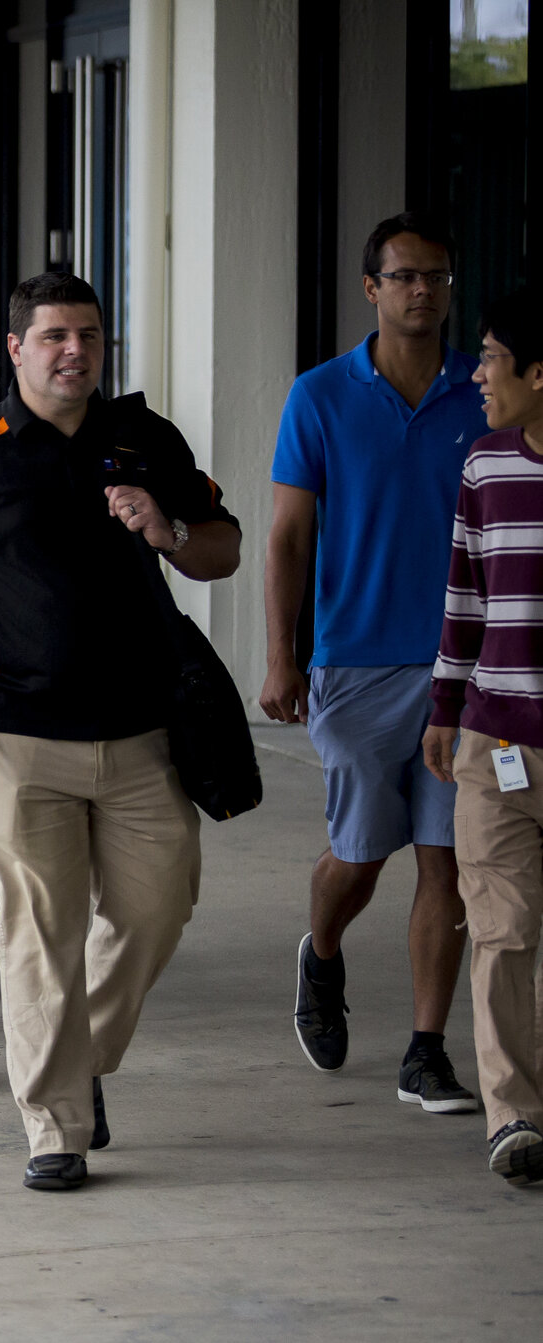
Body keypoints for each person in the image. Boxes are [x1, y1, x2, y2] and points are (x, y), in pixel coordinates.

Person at [0, 271, 242, 1192]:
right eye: (56, 337)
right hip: (11, 726)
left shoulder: (142, 439)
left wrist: (168, 529)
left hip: (141, 728)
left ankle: (79, 1058)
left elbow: (221, 543)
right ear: (19, 351)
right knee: (40, 924)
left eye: (90, 335)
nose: (76, 350)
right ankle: (55, 1128)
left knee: (158, 904)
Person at [265, 212, 488, 1109]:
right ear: (372, 289)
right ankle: (322, 954)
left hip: (464, 669)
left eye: (435, 276)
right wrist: (282, 656)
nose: (422, 291)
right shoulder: (319, 394)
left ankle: (425, 1049)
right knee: (360, 855)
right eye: (404, 277)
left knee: (449, 861)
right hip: (354, 661)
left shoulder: (486, 391)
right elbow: (287, 535)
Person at [423, 287, 543, 1185]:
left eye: (493, 358)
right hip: (496, 738)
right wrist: (444, 704)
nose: (477, 375)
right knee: (502, 927)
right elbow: (464, 599)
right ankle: (515, 1116)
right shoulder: (485, 466)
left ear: (540, 374)